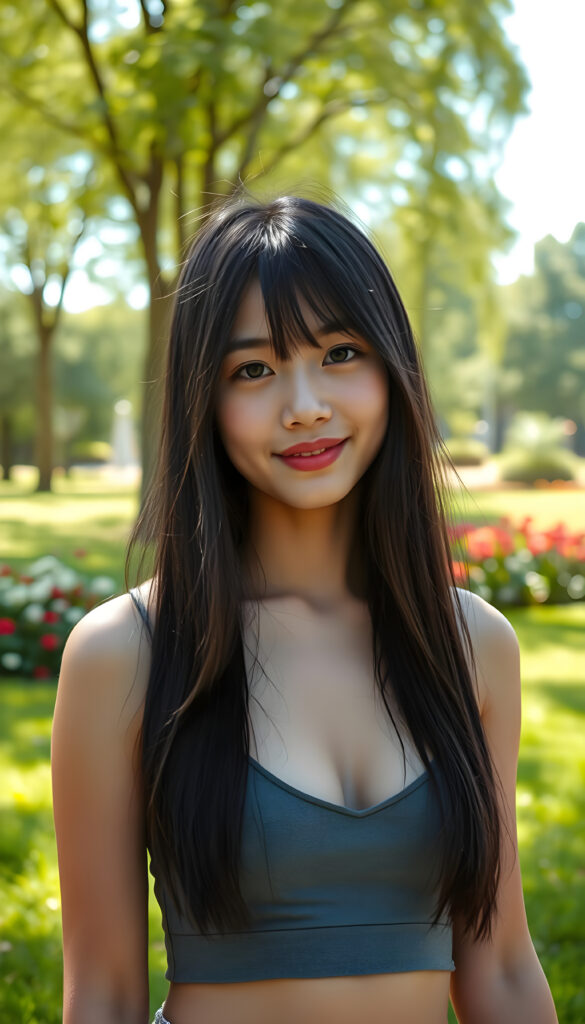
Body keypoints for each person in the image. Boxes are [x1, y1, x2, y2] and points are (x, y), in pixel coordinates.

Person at [51, 194, 558, 1024]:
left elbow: (498, 964)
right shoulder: (126, 653)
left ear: (392, 369)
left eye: (339, 352)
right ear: (201, 402)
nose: (304, 405)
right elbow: (102, 995)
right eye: (252, 369)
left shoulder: (471, 643)